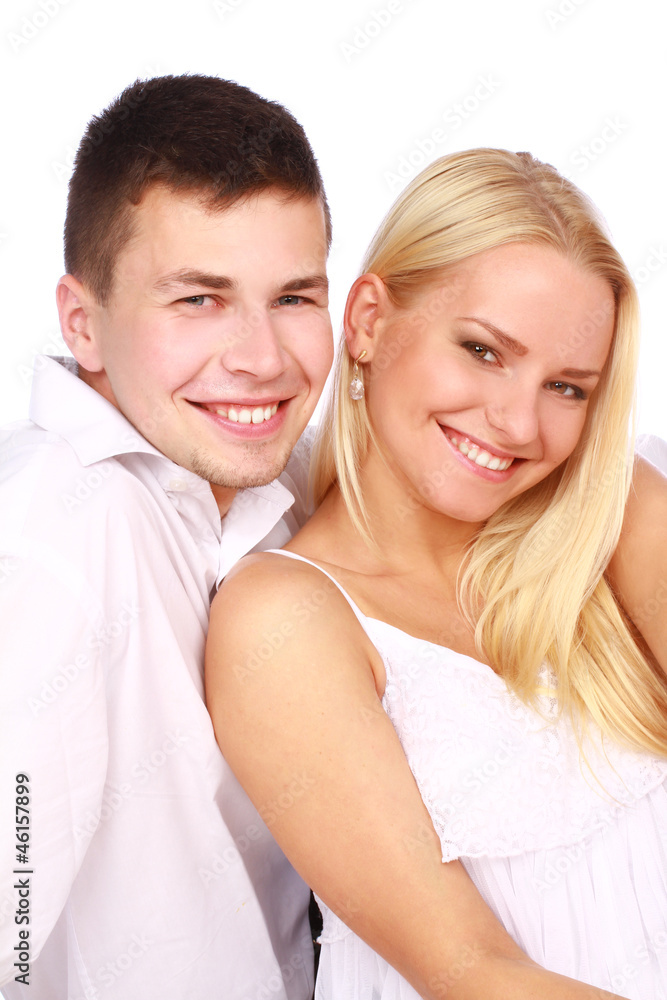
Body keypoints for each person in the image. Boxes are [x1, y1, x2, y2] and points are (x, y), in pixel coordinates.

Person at [206, 148, 667, 999]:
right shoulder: (286, 617)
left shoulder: (613, 515)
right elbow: (474, 975)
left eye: (567, 388)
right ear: (370, 321)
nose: (517, 421)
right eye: (484, 352)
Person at [0, 74, 333, 999]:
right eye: (199, 300)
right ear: (83, 323)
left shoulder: (291, 481)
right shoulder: (45, 537)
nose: (262, 358)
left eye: (295, 297)